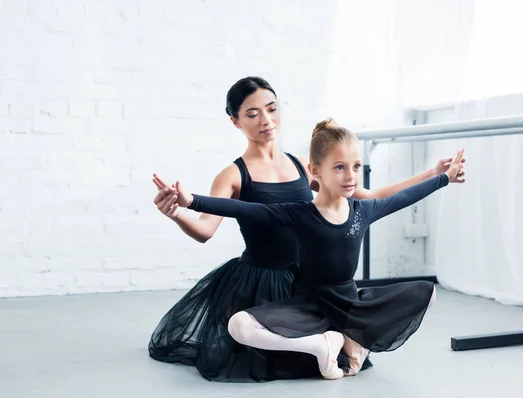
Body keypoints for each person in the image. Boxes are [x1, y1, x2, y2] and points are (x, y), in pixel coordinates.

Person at [148, 76, 466, 382]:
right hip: (261, 280)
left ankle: (339, 339)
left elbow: (370, 198)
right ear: (236, 121)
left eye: (271, 108)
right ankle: (324, 342)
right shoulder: (232, 175)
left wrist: (431, 174)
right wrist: (178, 211)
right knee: (257, 350)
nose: (266, 119)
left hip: (307, 279)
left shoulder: (303, 164)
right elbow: (206, 229)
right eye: (253, 113)